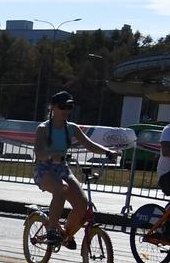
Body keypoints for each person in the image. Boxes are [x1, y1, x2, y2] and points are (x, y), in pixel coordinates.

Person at [33, 90, 120, 248]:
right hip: (44, 169)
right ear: (53, 107)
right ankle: (52, 229)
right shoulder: (43, 128)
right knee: (61, 189)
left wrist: (108, 152)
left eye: (69, 107)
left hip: (62, 168)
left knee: (82, 203)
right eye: (62, 107)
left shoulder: (72, 128)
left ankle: (65, 234)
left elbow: (89, 144)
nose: (66, 111)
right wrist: (52, 156)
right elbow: (38, 152)